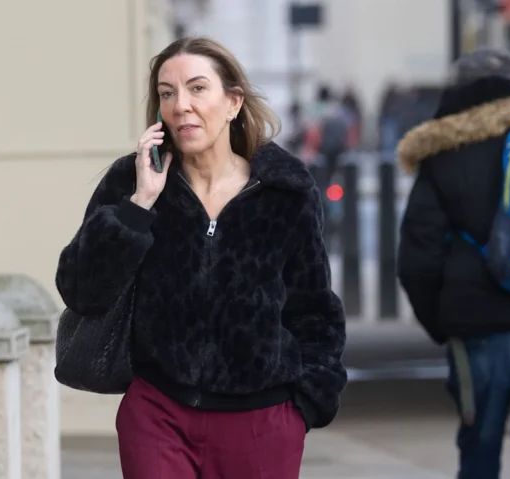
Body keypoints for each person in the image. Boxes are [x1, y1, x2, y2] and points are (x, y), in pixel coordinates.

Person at [56, 36, 346, 479]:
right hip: (158, 414)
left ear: (232, 102)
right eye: (167, 93)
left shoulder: (286, 191)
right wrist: (138, 206)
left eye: (196, 89)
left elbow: (314, 308)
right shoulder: (130, 182)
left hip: (262, 422)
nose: (180, 106)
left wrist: (306, 404)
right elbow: (82, 291)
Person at [396, 47, 510, 479]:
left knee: (479, 449)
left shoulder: (444, 155)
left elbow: (419, 254)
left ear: (458, 87)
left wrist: (442, 322)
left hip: (475, 328)